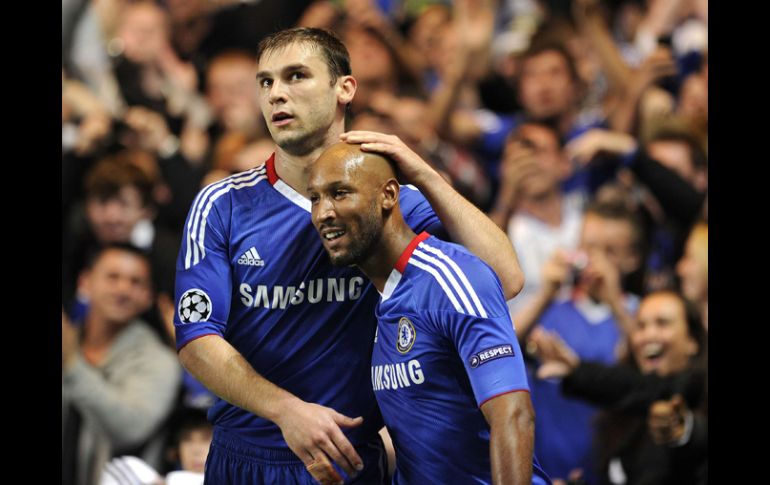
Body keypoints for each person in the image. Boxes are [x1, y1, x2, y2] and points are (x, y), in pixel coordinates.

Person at [173, 27, 523, 484]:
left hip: (349, 460)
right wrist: (285, 411)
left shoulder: (391, 202)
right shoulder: (222, 204)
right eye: (266, 82)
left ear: (345, 88)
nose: (276, 94)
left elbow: (505, 276)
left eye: (296, 76)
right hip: (245, 457)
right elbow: (196, 341)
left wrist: (424, 174)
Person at [307, 142, 550, 484]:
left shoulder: (451, 277)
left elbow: (513, 415)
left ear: (388, 195)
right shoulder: (380, 302)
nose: (323, 213)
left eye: (340, 193)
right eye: (315, 198)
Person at [62, 243, 182, 485]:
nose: (123, 289)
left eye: (136, 282)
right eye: (112, 277)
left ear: (148, 297)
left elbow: (130, 428)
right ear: (85, 282)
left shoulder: (159, 360)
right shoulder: (69, 339)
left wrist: (72, 364)